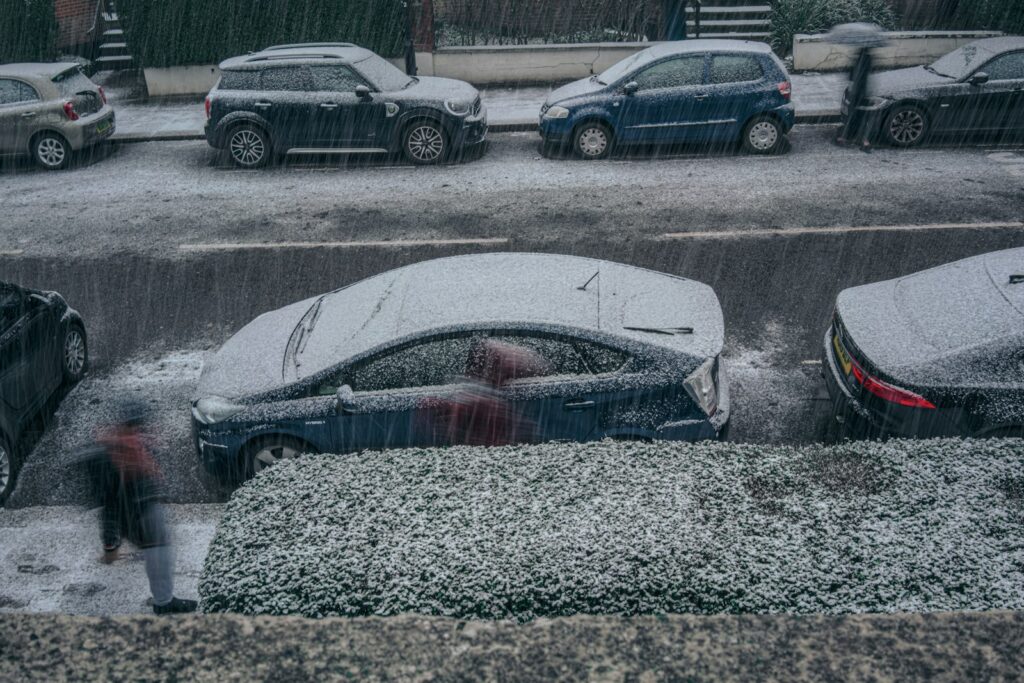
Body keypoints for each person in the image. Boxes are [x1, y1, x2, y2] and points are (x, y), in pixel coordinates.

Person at [79, 399, 196, 615]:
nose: (137, 433)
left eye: (139, 427)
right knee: (159, 551)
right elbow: (110, 505)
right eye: (134, 427)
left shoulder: (133, 446)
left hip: (143, 508)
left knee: (161, 550)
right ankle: (163, 602)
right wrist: (110, 544)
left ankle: (163, 598)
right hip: (136, 515)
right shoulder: (112, 457)